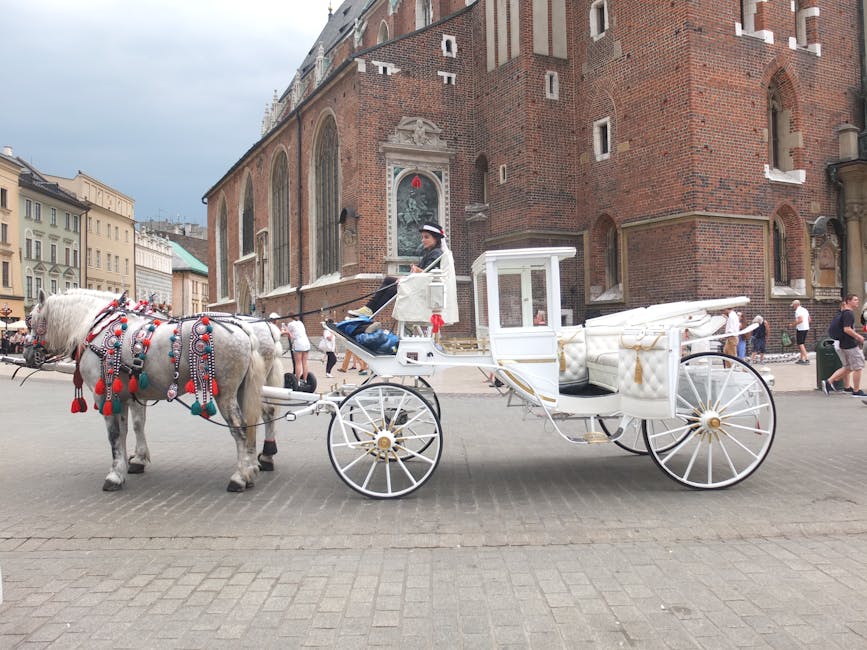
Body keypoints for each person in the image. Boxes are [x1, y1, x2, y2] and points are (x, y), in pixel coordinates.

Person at [348, 221, 445, 318]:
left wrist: (415, 271)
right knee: (389, 282)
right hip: (418, 285)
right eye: (422, 237)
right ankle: (369, 310)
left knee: (391, 284)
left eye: (426, 237)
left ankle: (370, 309)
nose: (423, 240)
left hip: (423, 289)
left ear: (436, 238)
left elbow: (430, 274)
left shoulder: (436, 253)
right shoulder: (430, 253)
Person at [822, 295, 865, 396]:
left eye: (857, 299)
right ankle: (856, 391)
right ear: (848, 302)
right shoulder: (849, 314)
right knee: (858, 367)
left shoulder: (842, 313)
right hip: (850, 344)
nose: (857, 301)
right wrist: (859, 337)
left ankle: (828, 382)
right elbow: (847, 329)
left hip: (842, 344)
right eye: (855, 300)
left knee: (848, 367)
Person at [284, 316, 311, 383]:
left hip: (299, 344)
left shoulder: (291, 324)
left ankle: (297, 381)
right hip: (306, 343)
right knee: (305, 362)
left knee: (298, 363)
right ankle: (305, 380)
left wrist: (285, 329)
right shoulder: (300, 323)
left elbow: (289, 334)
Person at [790, 299, 811, 364]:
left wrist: (792, 325)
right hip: (806, 328)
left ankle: (807, 359)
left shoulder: (798, 311)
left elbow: (800, 320)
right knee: (802, 343)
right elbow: (809, 319)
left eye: (793, 305)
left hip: (801, 329)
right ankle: (801, 359)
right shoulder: (805, 310)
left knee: (800, 343)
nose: (793, 307)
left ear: (796, 305)